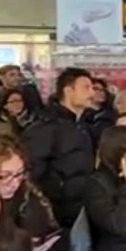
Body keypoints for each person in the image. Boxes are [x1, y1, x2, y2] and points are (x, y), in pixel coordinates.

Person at [23, 67, 97, 229]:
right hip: (59, 215)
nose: (92, 93)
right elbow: (31, 172)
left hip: (80, 209)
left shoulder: (82, 126)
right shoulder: (46, 127)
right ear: (68, 91)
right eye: (86, 88)